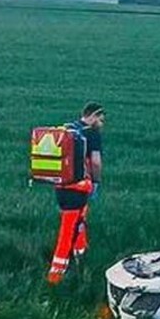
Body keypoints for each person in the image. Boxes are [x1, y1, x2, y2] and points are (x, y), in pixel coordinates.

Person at [47, 101, 105, 284]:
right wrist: (96, 182)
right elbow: (95, 162)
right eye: (101, 120)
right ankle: (55, 274)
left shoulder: (68, 129)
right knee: (68, 231)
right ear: (93, 116)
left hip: (61, 187)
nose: (102, 124)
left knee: (80, 221)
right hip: (79, 189)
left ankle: (81, 253)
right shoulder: (91, 134)